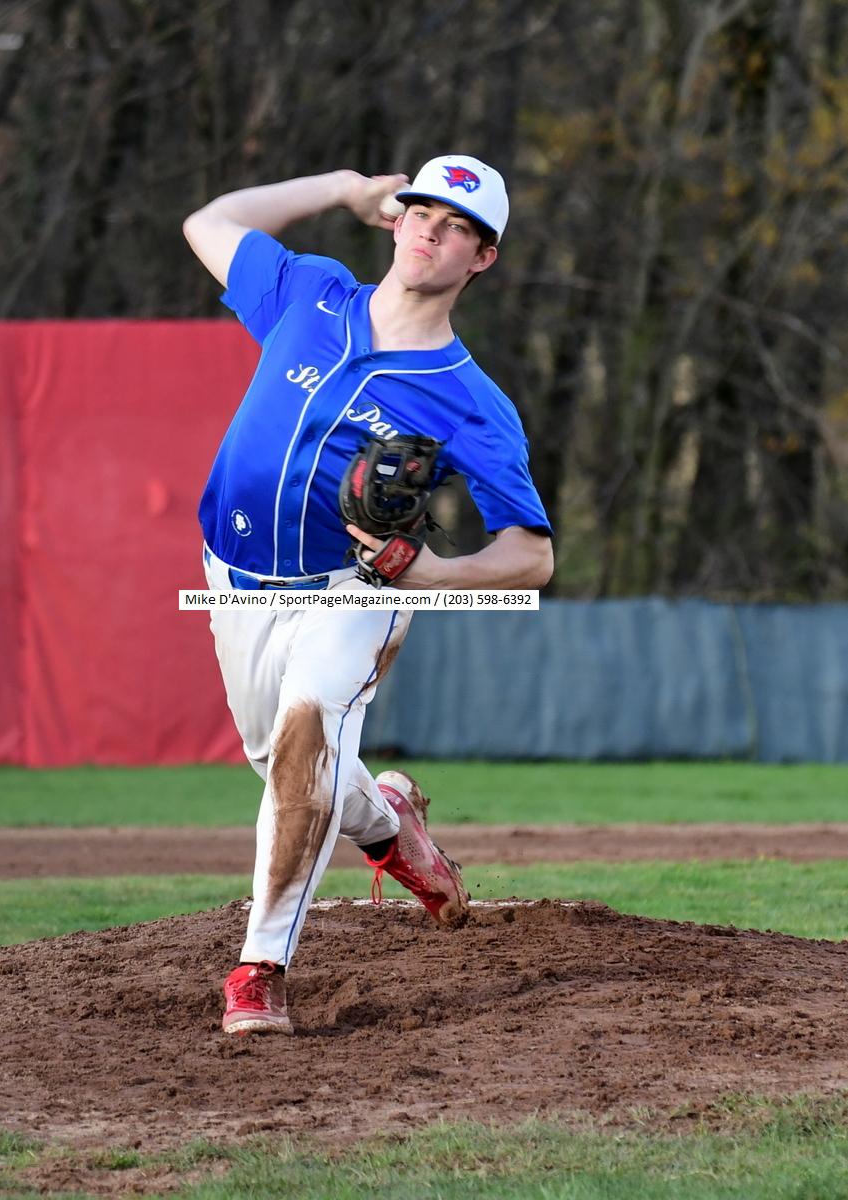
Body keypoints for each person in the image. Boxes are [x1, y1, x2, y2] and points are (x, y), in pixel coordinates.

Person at [183, 155, 553, 1036]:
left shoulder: (469, 401)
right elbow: (209, 222)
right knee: (283, 761)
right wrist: (343, 188)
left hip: (352, 589)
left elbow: (531, 554)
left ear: (481, 258)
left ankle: (260, 971)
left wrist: (431, 575)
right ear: (397, 220)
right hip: (232, 578)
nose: (432, 231)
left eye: (457, 227)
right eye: (422, 211)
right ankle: (389, 824)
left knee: (306, 739)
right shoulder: (308, 295)